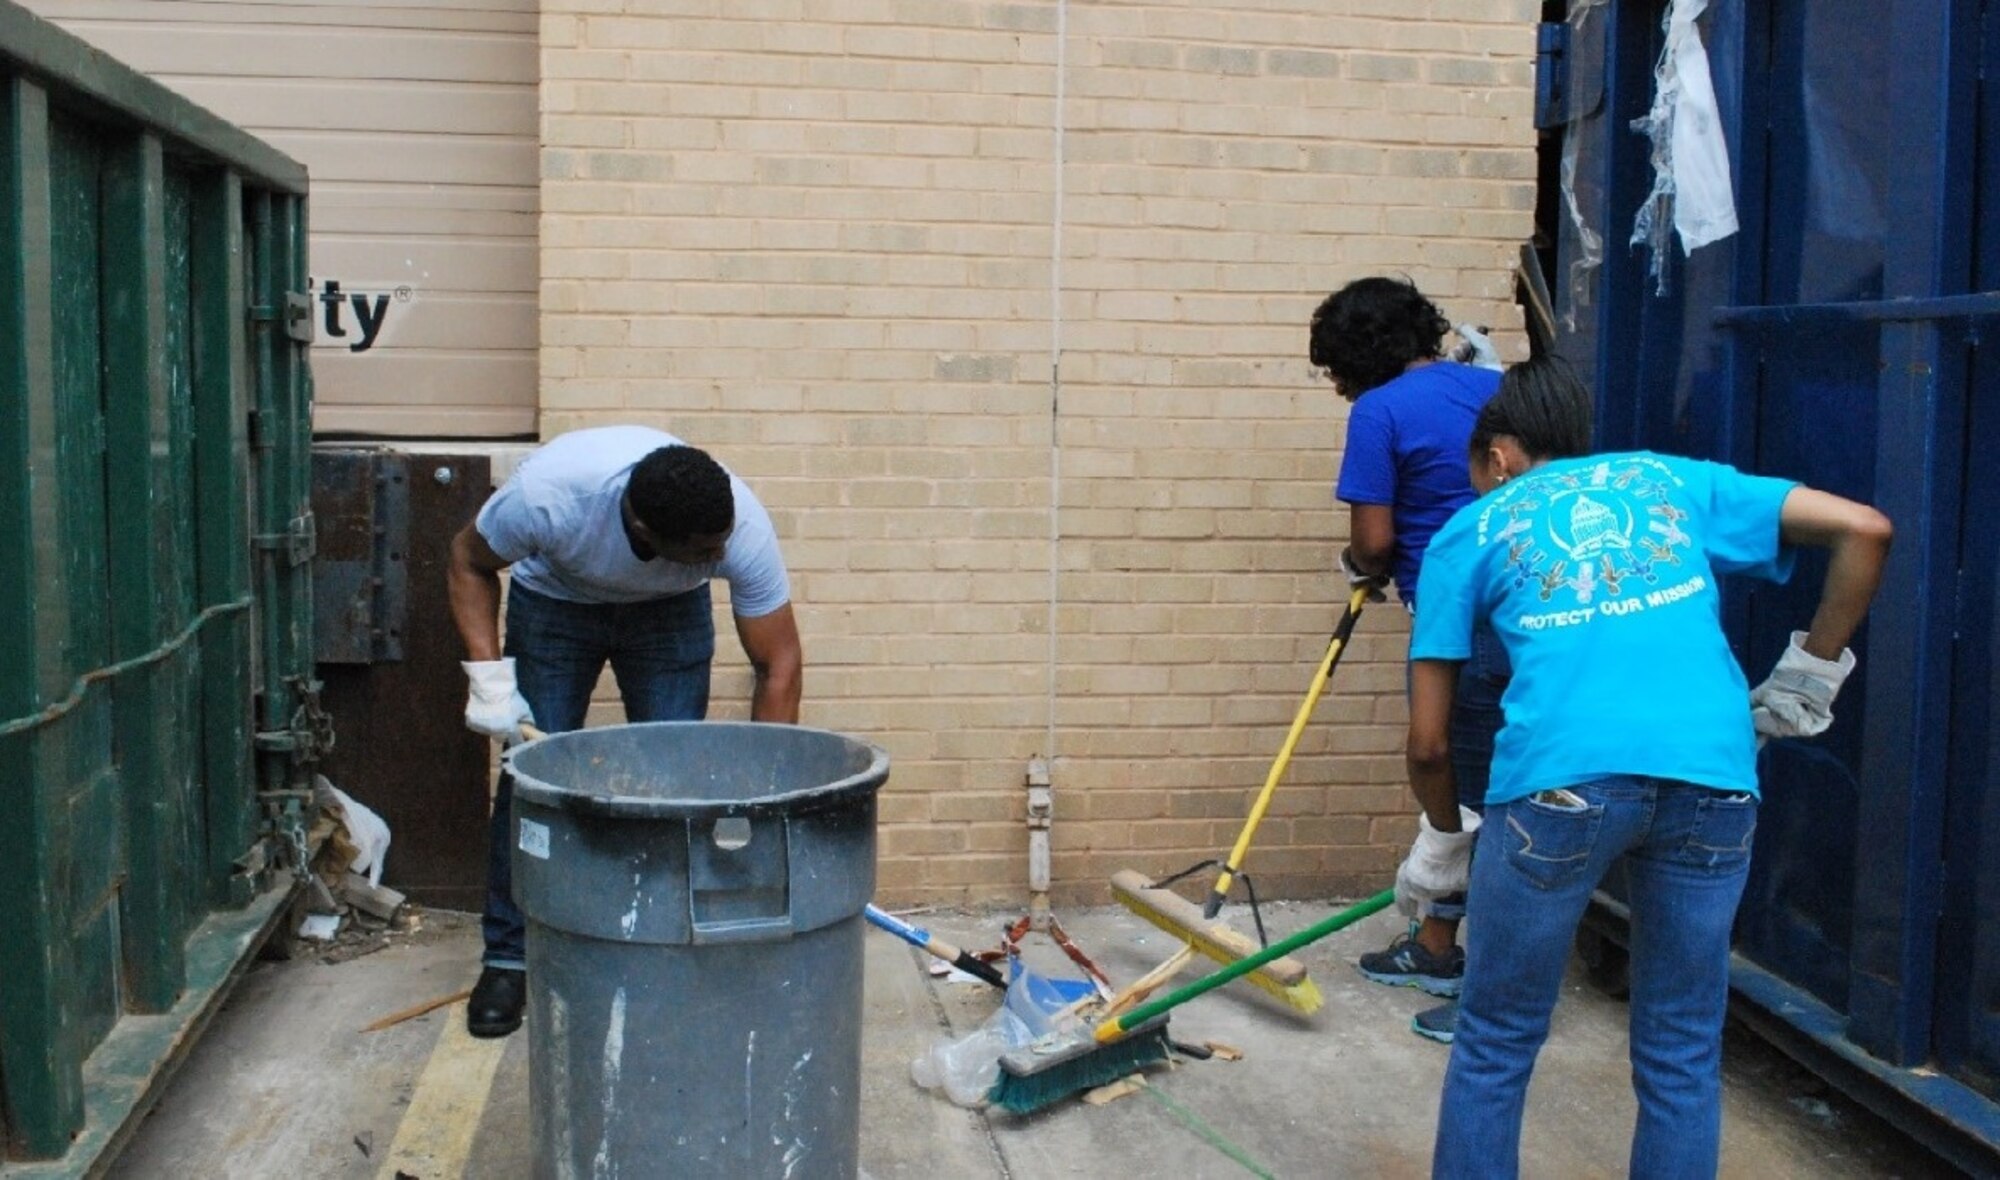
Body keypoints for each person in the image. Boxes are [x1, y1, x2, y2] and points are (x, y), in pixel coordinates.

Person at [1396, 356, 1891, 1177]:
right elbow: (1865, 529)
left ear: (1502, 454)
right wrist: (1812, 669)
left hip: (1555, 789)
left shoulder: (1466, 533)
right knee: (1681, 1049)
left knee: (1495, 1043)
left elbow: (1428, 744)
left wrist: (1443, 843)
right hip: (1714, 779)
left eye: (1481, 474)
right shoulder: (1667, 480)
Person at [445, 426, 803, 1038]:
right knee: (530, 783)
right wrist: (488, 678)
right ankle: (508, 958)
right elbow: (467, 560)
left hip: (669, 618)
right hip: (554, 606)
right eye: (704, 553)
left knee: (673, 783)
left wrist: (760, 795)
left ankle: (663, 939)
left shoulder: (738, 527)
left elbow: (779, 664)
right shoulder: (548, 500)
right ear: (645, 536)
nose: (722, 557)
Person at [1310, 275, 1507, 1042]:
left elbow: (1376, 542)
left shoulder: (1379, 410)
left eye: (1334, 368)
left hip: (1461, 622)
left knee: (1477, 797)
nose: (1335, 386)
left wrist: (1360, 566)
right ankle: (1435, 949)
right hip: (1538, 606)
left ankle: (1492, 998)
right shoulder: (1494, 387)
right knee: (1475, 789)